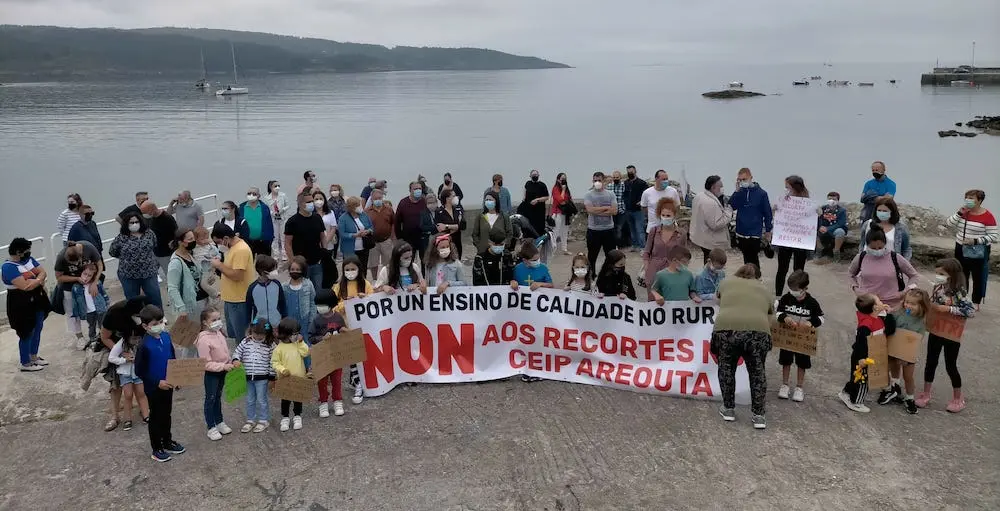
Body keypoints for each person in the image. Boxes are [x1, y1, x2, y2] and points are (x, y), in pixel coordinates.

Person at [713, 263, 773, 429]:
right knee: (757, 373)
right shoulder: (764, 289)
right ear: (757, 277)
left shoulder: (726, 282)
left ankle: (728, 409)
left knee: (726, 369)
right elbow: (770, 312)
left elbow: (717, 299)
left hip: (726, 330)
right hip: (758, 333)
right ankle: (759, 415)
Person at [916, 258, 975, 413]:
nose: (938, 276)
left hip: (951, 334)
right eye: (937, 273)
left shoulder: (959, 291)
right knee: (930, 362)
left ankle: (958, 398)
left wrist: (948, 309)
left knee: (950, 365)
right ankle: (926, 393)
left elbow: (970, 311)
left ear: (951, 274)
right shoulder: (937, 287)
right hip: (936, 330)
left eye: (941, 273)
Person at [133, 304, 185, 462]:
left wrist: (177, 377)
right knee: (156, 416)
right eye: (155, 324)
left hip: (169, 383)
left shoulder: (166, 337)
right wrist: (157, 382)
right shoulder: (144, 346)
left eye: (161, 322)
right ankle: (156, 448)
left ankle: (167, 441)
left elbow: (172, 357)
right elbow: (139, 371)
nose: (159, 326)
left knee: (167, 413)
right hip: (154, 387)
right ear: (145, 326)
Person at [839, 294, 895, 413]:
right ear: (875, 308)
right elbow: (861, 343)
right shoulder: (866, 324)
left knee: (856, 378)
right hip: (863, 357)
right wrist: (862, 358)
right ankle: (856, 402)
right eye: (879, 301)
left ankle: (847, 393)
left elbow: (890, 330)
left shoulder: (878, 319)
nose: (882, 302)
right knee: (863, 381)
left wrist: (889, 313)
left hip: (872, 353)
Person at [775, 271, 825, 402]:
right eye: (791, 289)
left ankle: (799, 387)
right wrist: (784, 317)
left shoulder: (812, 303)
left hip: (803, 340)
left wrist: (810, 322)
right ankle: (785, 384)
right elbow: (778, 312)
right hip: (787, 337)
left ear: (805, 288)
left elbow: (821, 317)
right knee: (785, 360)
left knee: (802, 362)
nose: (793, 292)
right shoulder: (786, 298)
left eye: (796, 290)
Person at [3, 238, 50, 372]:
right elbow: (25, 286)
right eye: (27, 251)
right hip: (20, 302)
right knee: (26, 331)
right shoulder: (8, 267)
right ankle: (25, 362)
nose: (29, 253)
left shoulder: (29, 260)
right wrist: (38, 280)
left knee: (38, 327)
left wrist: (36, 279)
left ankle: (34, 356)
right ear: (18, 252)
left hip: (37, 299)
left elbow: (43, 272)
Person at [333, 255, 374, 405]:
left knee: (362, 357)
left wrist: (365, 298)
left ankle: (358, 381)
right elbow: (333, 309)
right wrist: (345, 304)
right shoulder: (338, 287)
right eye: (347, 269)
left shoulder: (366, 284)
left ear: (359, 269)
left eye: (353, 269)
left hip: (364, 326)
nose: (350, 272)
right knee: (353, 357)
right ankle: (357, 383)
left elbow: (375, 302)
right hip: (346, 327)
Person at [946, 189, 997, 307]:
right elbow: (949, 223)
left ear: (979, 200)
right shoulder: (963, 212)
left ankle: (976, 302)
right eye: (966, 198)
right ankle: (961, 298)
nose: (968, 200)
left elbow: (994, 236)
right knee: (961, 274)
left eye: (971, 198)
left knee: (978, 276)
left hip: (978, 250)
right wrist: (959, 213)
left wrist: (976, 241)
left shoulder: (987, 216)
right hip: (960, 246)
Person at [883, 288, 930, 415]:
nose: (908, 305)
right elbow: (890, 317)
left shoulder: (923, 320)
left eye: (913, 304)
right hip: (893, 348)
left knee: (908, 377)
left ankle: (909, 398)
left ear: (922, 306)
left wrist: (906, 353)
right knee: (891, 369)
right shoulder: (900, 313)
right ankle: (893, 388)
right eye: (906, 302)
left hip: (908, 353)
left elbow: (918, 339)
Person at [54, 240, 103, 348]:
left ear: (81, 255)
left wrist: (95, 282)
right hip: (70, 287)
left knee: (97, 308)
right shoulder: (61, 257)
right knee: (72, 312)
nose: (76, 265)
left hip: (90, 283)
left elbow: (100, 265)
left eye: (77, 262)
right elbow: (59, 277)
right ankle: (80, 337)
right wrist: (76, 278)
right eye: (73, 264)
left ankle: (100, 334)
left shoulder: (89, 247)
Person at [211, 224, 256, 340]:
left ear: (226, 238)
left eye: (219, 242)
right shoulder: (231, 247)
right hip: (230, 297)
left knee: (241, 335)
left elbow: (237, 275)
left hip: (239, 299)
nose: (218, 245)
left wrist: (219, 265)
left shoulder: (241, 250)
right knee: (233, 333)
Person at [195, 307, 234, 441]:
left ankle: (219, 421)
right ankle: (211, 427)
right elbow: (205, 363)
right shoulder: (203, 340)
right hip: (212, 374)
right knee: (210, 398)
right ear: (205, 322)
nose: (218, 322)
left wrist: (230, 361)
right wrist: (223, 366)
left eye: (219, 319)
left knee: (218, 397)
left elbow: (224, 350)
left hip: (223, 370)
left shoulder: (219, 333)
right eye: (214, 320)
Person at [109, 211, 162, 308]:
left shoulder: (149, 234)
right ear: (126, 224)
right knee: (133, 302)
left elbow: (154, 245)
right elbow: (112, 252)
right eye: (131, 222)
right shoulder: (121, 238)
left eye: (136, 222)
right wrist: (127, 259)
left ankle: (159, 319)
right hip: (129, 276)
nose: (134, 224)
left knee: (155, 298)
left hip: (149, 273)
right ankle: (137, 322)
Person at [310, 290, 348, 418]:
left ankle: (337, 401)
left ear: (331, 304)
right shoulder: (316, 320)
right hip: (322, 356)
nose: (320, 307)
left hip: (336, 354)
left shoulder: (338, 317)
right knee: (322, 381)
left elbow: (343, 331)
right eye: (318, 304)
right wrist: (321, 338)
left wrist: (344, 331)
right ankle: (323, 403)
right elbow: (311, 337)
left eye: (323, 304)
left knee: (337, 379)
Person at [232, 319, 275, 433]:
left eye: (261, 334)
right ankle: (250, 419)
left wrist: (272, 377)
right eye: (256, 333)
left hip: (262, 378)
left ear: (266, 333)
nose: (258, 336)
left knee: (262, 399)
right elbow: (237, 352)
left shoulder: (270, 345)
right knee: (250, 399)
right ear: (251, 330)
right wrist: (236, 359)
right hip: (247, 376)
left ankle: (263, 420)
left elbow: (273, 362)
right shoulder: (245, 342)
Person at [166, 230, 208, 348]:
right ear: (180, 242)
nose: (193, 241)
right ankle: (190, 365)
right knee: (191, 341)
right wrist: (181, 308)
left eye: (193, 238)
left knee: (203, 337)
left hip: (202, 299)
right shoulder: (176, 263)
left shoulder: (190, 255)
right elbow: (172, 287)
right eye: (190, 240)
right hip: (191, 305)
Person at [773, 175, 813, 297]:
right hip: (786, 239)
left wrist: (816, 212)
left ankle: (798, 294)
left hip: (800, 240)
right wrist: (776, 208)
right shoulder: (783, 199)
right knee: (782, 269)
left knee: (799, 270)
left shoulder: (807, 201)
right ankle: (779, 296)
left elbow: (812, 216)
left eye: (788, 187)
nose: (786, 190)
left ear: (795, 187)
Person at [642, 198, 685, 300]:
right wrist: (647, 268)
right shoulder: (654, 231)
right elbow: (646, 252)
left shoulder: (681, 233)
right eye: (663, 215)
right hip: (654, 270)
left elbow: (684, 255)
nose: (665, 218)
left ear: (674, 216)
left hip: (672, 271)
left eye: (668, 216)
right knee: (653, 301)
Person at [271, 318, 310, 432]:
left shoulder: (297, 344)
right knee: (285, 400)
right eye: (294, 334)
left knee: (298, 399)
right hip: (285, 380)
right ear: (285, 334)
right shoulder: (279, 349)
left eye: (297, 333)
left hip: (299, 378)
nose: (296, 336)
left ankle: (297, 416)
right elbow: (275, 363)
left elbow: (306, 352)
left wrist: (301, 342)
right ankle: (285, 417)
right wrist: (282, 370)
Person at [730, 167, 773, 269]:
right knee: (746, 257)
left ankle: (757, 278)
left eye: (744, 179)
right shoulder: (740, 192)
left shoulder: (762, 194)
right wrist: (736, 191)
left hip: (755, 232)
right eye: (740, 180)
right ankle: (749, 278)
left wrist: (768, 230)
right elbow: (732, 205)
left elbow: (767, 213)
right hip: (741, 231)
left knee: (753, 257)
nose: (742, 182)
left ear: (751, 177)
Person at [284, 192, 328, 290]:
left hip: (317, 262)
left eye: (312, 201)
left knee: (318, 290)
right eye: (308, 202)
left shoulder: (317, 218)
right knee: (303, 290)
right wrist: (292, 261)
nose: (311, 203)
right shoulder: (292, 221)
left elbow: (322, 237)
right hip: (301, 264)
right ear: (300, 204)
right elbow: (287, 243)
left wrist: (324, 252)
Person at [107, 329, 149, 431]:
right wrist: (125, 360)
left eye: (138, 338)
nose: (136, 340)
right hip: (125, 372)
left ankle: (146, 415)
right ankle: (127, 419)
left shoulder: (143, 342)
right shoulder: (121, 343)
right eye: (133, 338)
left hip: (138, 371)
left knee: (141, 393)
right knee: (128, 395)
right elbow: (111, 357)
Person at [689, 176, 733, 264]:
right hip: (711, 241)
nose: (722, 189)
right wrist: (728, 213)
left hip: (701, 236)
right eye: (720, 187)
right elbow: (715, 225)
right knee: (713, 264)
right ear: (713, 187)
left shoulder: (699, 196)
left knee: (707, 260)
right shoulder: (710, 203)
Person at [584, 171, 618, 277]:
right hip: (593, 230)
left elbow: (614, 211)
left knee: (611, 256)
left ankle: (608, 276)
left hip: (609, 230)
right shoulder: (588, 194)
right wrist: (606, 208)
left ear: (603, 181)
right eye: (595, 180)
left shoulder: (610, 194)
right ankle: (591, 275)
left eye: (599, 180)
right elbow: (590, 210)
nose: (597, 182)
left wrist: (597, 210)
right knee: (592, 256)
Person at [70, 261, 109, 346]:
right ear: (81, 273)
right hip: (88, 311)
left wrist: (107, 304)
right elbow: (75, 302)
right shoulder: (76, 287)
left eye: (89, 275)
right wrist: (76, 313)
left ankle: (103, 338)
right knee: (91, 325)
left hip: (100, 309)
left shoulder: (97, 283)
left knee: (102, 325)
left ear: (93, 276)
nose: (86, 277)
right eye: (84, 274)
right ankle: (92, 339)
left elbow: (104, 294)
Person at [138, 201, 178, 282]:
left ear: (151, 209)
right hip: (155, 252)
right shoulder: (152, 218)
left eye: (145, 212)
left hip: (166, 253)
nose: (144, 215)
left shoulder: (167, 218)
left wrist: (174, 242)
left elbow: (177, 232)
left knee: (170, 275)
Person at [394, 182, 429, 267]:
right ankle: (411, 278)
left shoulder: (425, 202)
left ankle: (424, 278)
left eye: (419, 189)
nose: (418, 191)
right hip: (408, 239)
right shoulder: (403, 203)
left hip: (423, 238)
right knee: (409, 261)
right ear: (410, 190)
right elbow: (397, 222)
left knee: (425, 260)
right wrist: (400, 238)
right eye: (415, 189)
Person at [246, 255, 286, 328]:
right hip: (259, 325)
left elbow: (282, 302)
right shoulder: (252, 288)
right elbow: (248, 308)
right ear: (263, 272)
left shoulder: (277, 284)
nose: (275, 272)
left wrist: (284, 319)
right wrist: (249, 325)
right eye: (272, 270)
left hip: (276, 323)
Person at [640, 170, 682, 239]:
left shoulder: (672, 191)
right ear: (656, 179)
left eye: (667, 179)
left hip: (670, 227)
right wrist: (653, 216)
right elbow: (643, 207)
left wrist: (674, 218)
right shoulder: (647, 193)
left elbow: (677, 206)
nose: (666, 181)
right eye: (663, 179)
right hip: (653, 228)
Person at [364, 187, 394, 280]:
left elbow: (393, 223)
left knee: (388, 263)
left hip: (386, 240)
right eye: (376, 198)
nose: (378, 200)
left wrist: (393, 238)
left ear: (382, 198)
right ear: (372, 199)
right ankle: (374, 280)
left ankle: (388, 279)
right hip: (373, 242)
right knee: (373, 263)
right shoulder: (367, 212)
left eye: (380, 198)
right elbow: (364, 225)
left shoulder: (389, 209)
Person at [284, 256, 317, 340]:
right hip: (289, 319)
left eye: (298, 270)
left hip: (304, 319)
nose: (295, 271)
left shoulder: (308, 284)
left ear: (303, 270)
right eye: (292, 269)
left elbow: (313, 303)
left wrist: (312, 319)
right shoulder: (284, 286)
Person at [471, 190, 513, 256]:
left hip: (500, 251)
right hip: (483, 252)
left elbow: (509, 233)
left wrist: (503, 245)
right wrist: (479, 246)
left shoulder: (504, 216)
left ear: (496, 201)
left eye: (490, 200)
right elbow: (475, 234)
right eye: (486, 200)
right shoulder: (480, 217)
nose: (488, 201)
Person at [338, 196, 374, 271]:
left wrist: (368, 231)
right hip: (349, 249)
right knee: (351, 268)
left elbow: (371, 226)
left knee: (363, 269)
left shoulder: (364, 215)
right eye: (358, 205)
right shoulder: (343, 218)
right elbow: (342, 233)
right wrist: (355, 235)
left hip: (364, 247)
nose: (360, 207)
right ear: (352, 207)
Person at [237, 187, 275, 257]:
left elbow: (269, 224)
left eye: (254, 194)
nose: (251, 195)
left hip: (263, 242)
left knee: (264, 264)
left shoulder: (264, 208)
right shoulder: (241, 208)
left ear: (259, 196)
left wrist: (270, 239)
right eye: (249, 193)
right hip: (246, 242)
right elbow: (237, 224)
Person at [263, 180, 291, 261]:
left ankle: (284, 255)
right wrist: (272, 213)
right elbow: (266, 208)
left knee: (283, 237)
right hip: (273, 219)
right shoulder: (266, 198)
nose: (277, 187)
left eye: (278, 185)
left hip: (282, 218)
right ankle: (276, 255)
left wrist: (282, 210)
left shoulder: (283, 195)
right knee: (275, 237)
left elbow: (288, 205)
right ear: (270, 187)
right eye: (275, 186)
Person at [817, 191, 848, 262]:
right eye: (829, 199)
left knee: (840, 232)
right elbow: (819, 219)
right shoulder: (822, 209)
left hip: (835, 229)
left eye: (834, 199)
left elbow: (841, 223)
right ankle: (819, 250)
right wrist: (820, 227)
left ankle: (836, 252)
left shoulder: (842, 210)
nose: (831, 201)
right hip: (823, 228)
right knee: (814, 230)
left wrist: (828, 228)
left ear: (838, 200)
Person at [435, 189, 466, 260]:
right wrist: (456, 227)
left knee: (457, 261)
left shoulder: (458, 209)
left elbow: (463, 226)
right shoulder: (439, 211)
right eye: (454, 196)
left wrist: (447, 226)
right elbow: (440, 229)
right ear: (447, 198)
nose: (456, 198)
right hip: (446, 243)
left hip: (457, 243)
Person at [192, 227, 221, 302]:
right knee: (203, 285)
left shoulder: (210, 247)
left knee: (203, 285)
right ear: (196, 239)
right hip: (199, 271)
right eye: (202, 239)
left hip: (207, 269)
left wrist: (215, 260)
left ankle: (215, 294)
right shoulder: (194, 247)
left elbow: (218, 255)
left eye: (207, 238)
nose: (205, 241)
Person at [623, 165, 648, 251]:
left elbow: (646, 194)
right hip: (628, 210)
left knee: (639, 229)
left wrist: (641, 201)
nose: (630, 173)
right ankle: (635, 245)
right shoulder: (626, 183)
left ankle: (643, 247)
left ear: (635, 171)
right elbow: (624, 194)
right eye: (628, 172)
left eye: (631, 172)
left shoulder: (642, 183)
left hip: (638, 211)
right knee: (632, 229)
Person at [519, 170, 550, 239]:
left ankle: (539, 240)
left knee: (539, 227)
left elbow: (547, 197)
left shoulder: (542, 185)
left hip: (539, 210)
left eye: (536, 175)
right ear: (530, 176)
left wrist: (537, 200)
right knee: (528, 226)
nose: (535, 176)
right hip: (528, 210)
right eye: (533, 175)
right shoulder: (528, 183)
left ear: (538, 176)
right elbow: (524, 194)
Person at [550, 172, 573, 255]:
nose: (563, 180)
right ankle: (552, 249)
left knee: (564, 231)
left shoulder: (566, 189)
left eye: (565, 178)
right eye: (562, 178)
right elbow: (561, 200)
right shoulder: (555, 188)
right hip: (557, 212)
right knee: (555, 231)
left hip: (565, 213)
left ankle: (564, 249)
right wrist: (563, 190)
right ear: (558, 179)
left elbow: (568, 199)